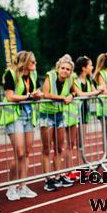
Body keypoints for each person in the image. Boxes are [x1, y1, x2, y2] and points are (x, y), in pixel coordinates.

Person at [0, 51, 43, 200]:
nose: (35, 64)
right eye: (32, 62)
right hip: (14, 116)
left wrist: (38, 95)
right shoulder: (10, 74)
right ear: (24, 62)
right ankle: (11, 187)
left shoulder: (34, 74)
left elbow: (37, 92)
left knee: (27, 152)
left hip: (28, 114)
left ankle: (22, 186)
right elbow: (10, 96)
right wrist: (29, 96)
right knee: (19, 152)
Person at [40, 54, 78, 191]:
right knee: (46, 148)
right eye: (63, 68)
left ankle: (58, 175)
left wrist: (72, 95)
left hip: (60, 115)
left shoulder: (70, 79)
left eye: (68, 69)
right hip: (47, 115)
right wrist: (63, 97)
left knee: (59, 147)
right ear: (58, 68)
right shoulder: (50, 76)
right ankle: (48, 179)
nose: (65, 71)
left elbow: (74, 92)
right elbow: (46, 94)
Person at [64, 56, 105, 178]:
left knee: (81, 143)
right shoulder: (74, 79)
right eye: (90, 65)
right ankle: (68, 170)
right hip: (73, 115)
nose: (92, 67)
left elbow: (95, 91)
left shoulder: (88, 80)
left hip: (84, 114)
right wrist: (96, 92)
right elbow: (81, 94)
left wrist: (97, 90)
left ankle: (81, 167)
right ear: (83, 67)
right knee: (71, 143)